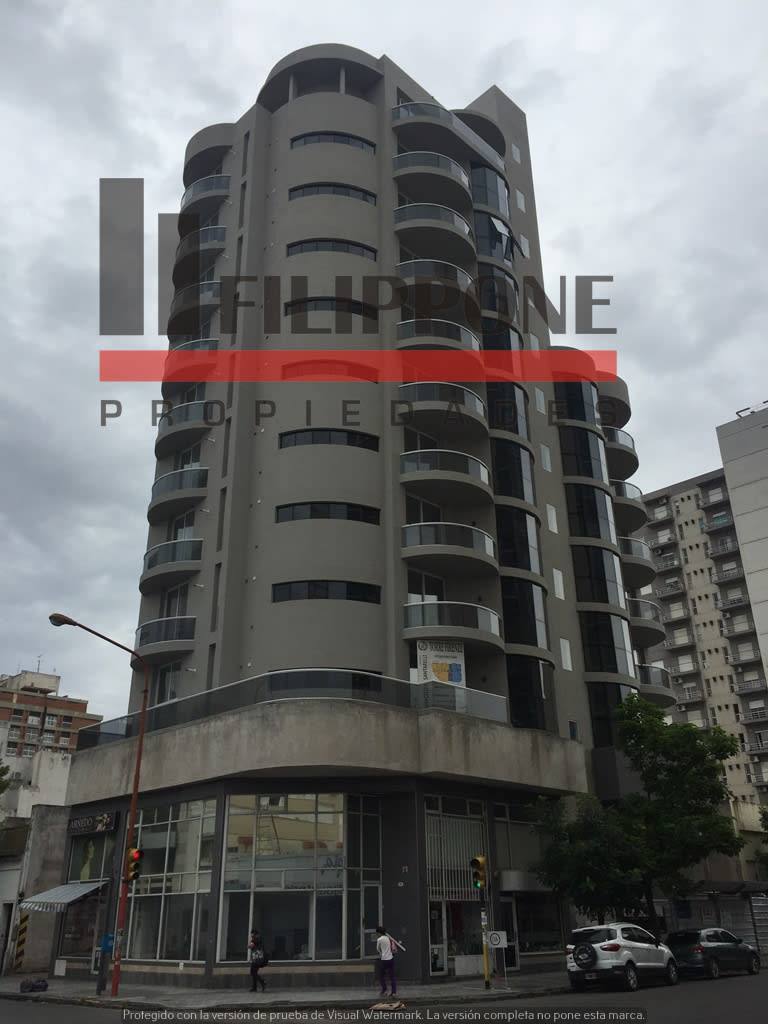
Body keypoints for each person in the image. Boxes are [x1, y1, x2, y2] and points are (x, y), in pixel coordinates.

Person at [375, 925, 397, 997]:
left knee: (381, 976)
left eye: (377, 933)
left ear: (379, 933)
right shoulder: (388, 938)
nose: (376, 935)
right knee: (392, 976)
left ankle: (384, 990)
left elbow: (378, 949)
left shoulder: (379, 940)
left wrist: (381, 953)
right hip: (391, 958)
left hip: (384, 959)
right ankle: (393, 992)